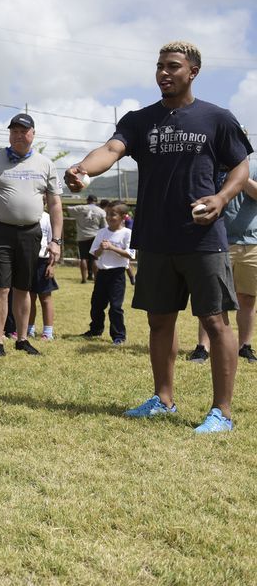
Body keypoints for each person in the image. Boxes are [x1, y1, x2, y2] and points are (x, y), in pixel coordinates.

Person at [65, 41, 252, 433]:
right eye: (159, 66)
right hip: (155, 238)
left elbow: (240, 167)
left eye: (173, 66)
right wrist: (84, 168)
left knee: (215, 322)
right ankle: (163, 399)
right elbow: (112, 149)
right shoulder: (140, 119)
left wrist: (221, 198)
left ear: (193, 71)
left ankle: (222, 411)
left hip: (203, 237)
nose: (164, 73)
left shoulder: (217, 118)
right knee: (159, 322)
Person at [0, 113, 63, 358]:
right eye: (14, 131)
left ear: (33, 134)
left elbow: (55, 204)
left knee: (23, 288)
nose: (18, 135)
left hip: (30, 234)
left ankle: (22, 339)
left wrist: (56, 241)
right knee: (0, 288)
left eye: (23, 131)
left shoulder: (45, 163)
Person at [185, 154, 257, 365]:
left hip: (251, 242)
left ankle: (245, 346)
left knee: (248, 299)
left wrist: (239, 177)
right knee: (212, 299)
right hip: (215, 240)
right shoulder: (210, 166)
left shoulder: (252, 167)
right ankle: (203, 347)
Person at [84, 203, 134, 345]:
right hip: (102, 273)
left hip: (117, 274)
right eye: (108, 214)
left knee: (115, 307)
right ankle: (95, 330)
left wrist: (112, 247)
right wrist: (101, 248)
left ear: (123, 217)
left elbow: (131, 255)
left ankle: (119, 335)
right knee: (97, 304)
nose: (109, 217)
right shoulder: (102, 233)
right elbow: (95, 254)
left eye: (113, 214)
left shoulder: (127, 233)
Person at [24, 201, 59, 341]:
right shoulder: (26, 217)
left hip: (43, 261)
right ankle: (29, 329)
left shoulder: (49, 218)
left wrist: (52, 264)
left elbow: (54, 242)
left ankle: (48, 332)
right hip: (27, 261)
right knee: (29, 297)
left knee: (45, 298)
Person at [69, 194, 106, 283]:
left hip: (82, 236)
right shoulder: (101, 211)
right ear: (96, 201)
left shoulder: (80, 208)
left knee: (83, 258)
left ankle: (84, 279)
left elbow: (68, 208)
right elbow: (104, 226)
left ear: (87, 200)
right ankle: (96, 278)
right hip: (95, 236)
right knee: (94, 258)